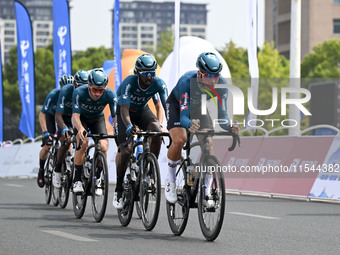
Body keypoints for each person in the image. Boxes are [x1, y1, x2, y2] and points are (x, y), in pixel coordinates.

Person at [165, 52, 239, 205]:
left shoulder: (221, 85)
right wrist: (189, 124)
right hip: (177, 107)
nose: (212, 80)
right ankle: (170, 180)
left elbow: (222, 115)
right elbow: (184, 116)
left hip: (199, 109)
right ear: (199, 73)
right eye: (208, 76)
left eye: (216, 75)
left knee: (208, 144)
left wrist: (230, 126)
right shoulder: (187, 81)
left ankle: (207, 191)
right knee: (180, 140)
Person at [113, 54, 168, 209]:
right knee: (126, 150)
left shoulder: (158, 83)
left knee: (156, 132)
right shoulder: (129, 83)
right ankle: (118, 189)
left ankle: (150, 172)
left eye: (152, 73)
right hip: (125, 113)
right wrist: (129, 125)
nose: (149, 77)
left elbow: (166, 106)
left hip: (142, 110)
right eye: (145, 73)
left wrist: (171, 125)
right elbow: (123, 110)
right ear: (137, 72)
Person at [72, 68, 117, 194]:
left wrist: (117, 130)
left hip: (98, 118)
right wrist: (80, 129)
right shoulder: (79, 92)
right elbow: (75, 116)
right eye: (94, 90)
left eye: (101, 90)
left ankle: (98, 179)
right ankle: (77, 180)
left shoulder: (110, 94)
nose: (97, 93)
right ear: (89, 85)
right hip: (82, 119)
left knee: (103, 146)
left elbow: (115, 118)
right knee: (83, 142)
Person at [53, 71, 88, 188]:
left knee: (81, 138)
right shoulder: (66, 91)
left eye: (85, 85)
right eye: (79, 86)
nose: (82, 89)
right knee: (66, 140)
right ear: (74, 84)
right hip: (64, 117)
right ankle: (57, 169)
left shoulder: (88, 92)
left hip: (77, 117)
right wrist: (63, 129)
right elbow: (58, 115)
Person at [37, 78, 64, 187]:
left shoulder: (73, 96)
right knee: (47, 146)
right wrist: (45, 132)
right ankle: (41, 170)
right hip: (51, 117)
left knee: (68, 140)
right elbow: (42, 114)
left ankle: (67, 162)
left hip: (63, 118)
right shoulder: (53, 94)